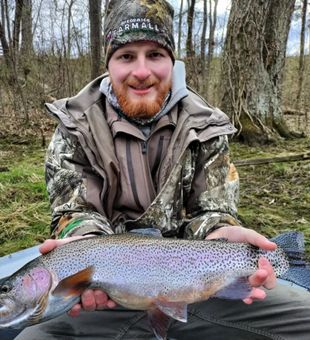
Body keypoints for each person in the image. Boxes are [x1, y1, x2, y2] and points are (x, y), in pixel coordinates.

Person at [16, 0, 310, 339]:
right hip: (110, 297)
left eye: (155, 55)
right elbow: (75, 212)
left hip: (201, 287)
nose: (142, 71)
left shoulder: (208, 126)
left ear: (172, 62)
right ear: (109, 64)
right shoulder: (74, 128)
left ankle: (291, 260)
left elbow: (212, 212)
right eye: (126, 56)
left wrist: (221, 232)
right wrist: (83, 245)